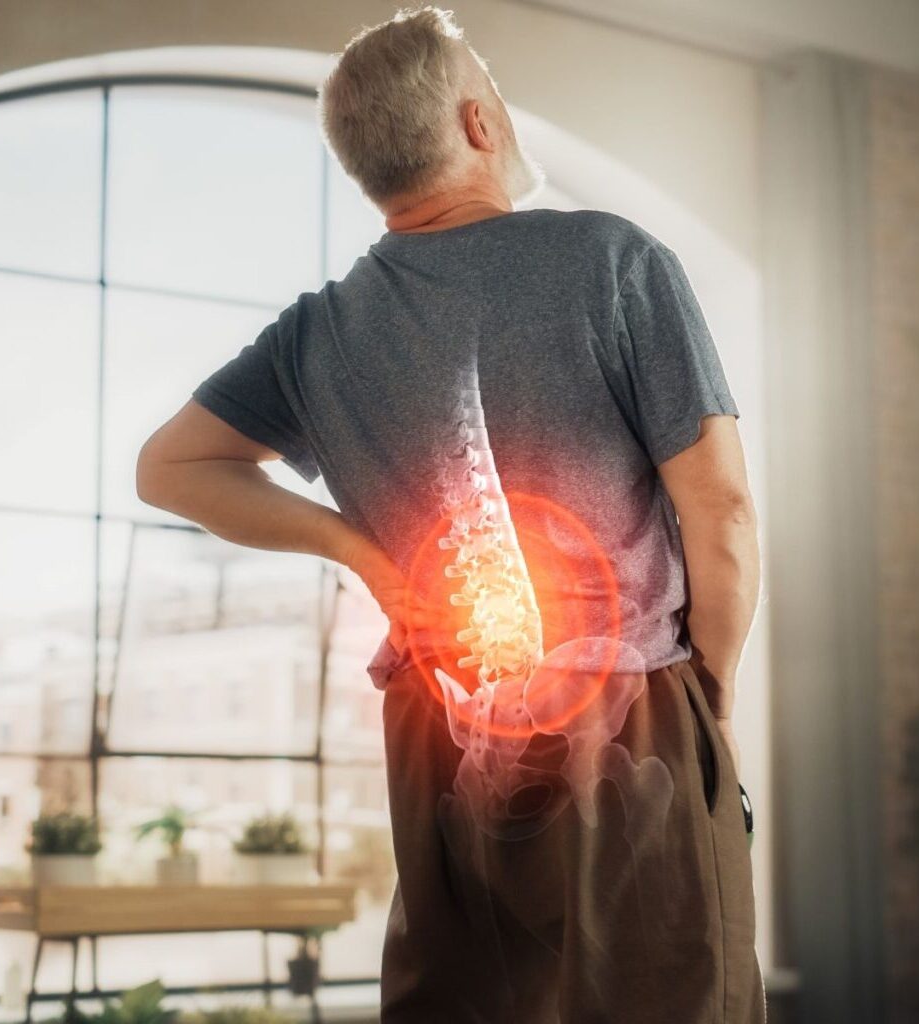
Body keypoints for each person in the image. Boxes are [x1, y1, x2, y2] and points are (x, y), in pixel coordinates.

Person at [135, 6, 763, 1021]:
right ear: (479, 123)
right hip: (630, 718)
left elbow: (169, 467)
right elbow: (722, 509)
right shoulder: (613, 261)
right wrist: (713, 697)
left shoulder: (317, 333)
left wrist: (364, 555)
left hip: (437, 735)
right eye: (495, 88)